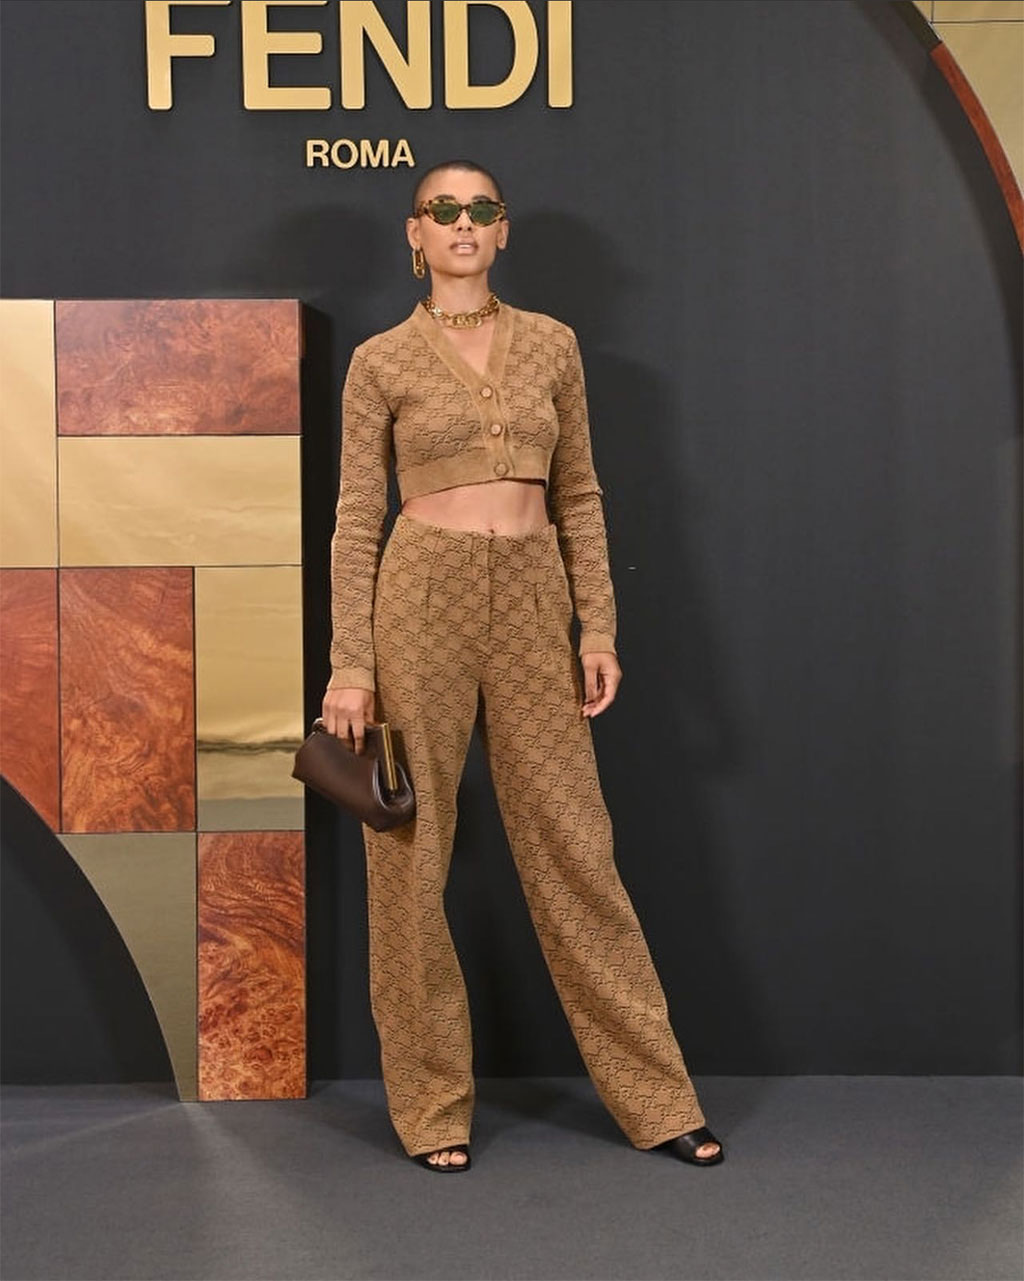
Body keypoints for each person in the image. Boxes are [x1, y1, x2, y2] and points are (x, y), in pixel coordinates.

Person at [321, 159, 724, 1173]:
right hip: (421, 595)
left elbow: (579, 494)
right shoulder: (379, 360)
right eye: (442, 210)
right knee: (410, 847)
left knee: (574, 843)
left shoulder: (553, 344)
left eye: (481, 209)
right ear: (414, 233)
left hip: (535, 596)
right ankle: (432, 1108)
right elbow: (357, 519)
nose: (462, 223)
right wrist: (349, 663)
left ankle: (657, 1099)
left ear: (503, 230)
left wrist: (597, 629)